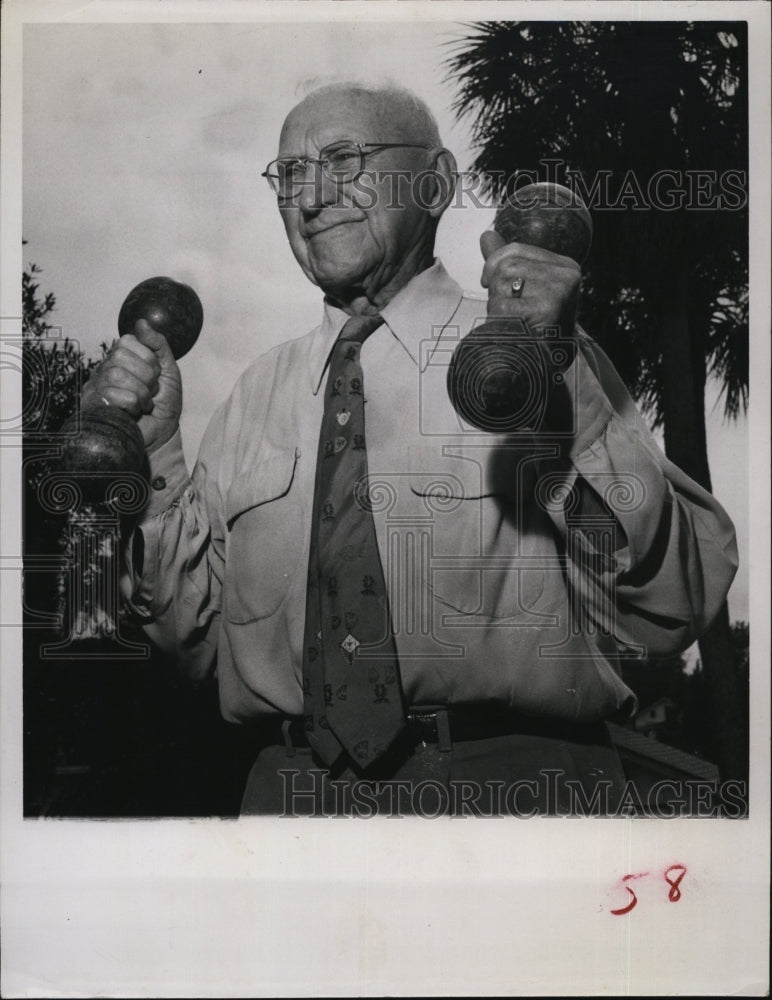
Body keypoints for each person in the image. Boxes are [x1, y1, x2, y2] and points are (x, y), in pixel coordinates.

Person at [84, 82, 738, 817]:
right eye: (291, 173)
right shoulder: (253, 396)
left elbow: (664, 606)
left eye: (343, 158)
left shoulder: (539, 352)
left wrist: (566, 397)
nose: (312, 196)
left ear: (435, 184)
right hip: (291, 803)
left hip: (517, 796)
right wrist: (153, 458)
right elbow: (188, 644)